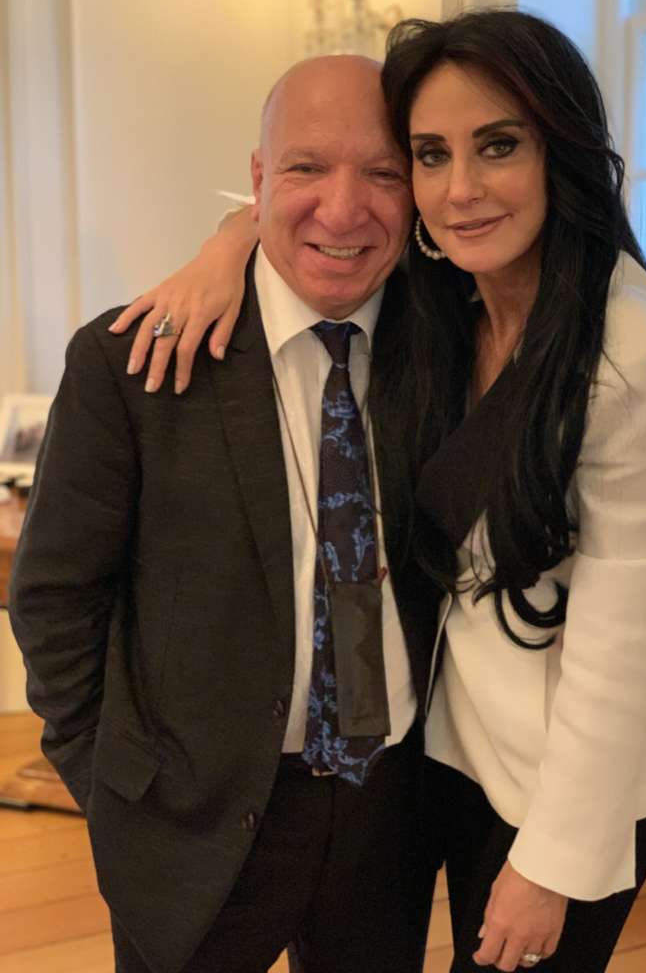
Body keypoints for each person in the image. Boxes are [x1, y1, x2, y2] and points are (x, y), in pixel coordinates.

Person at [111, 10, 646, 973]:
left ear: (564, 152)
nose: (460, 189)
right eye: (431, 155)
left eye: (499, 146)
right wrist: (226, 248)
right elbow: (321, 209)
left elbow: (614, 657)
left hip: (574, 784)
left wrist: (550, 866)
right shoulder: (447, 295)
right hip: (451, 750)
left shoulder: (632, 357)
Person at [9, 54, 442, 973]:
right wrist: (110, 781)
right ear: (258, 178)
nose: (342, 209)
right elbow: (53, 597)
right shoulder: (133, 362)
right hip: (192, 815)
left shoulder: (446, 343)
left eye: (383, 172)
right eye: (306, 167)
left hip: (389, 808)